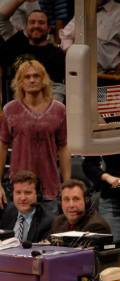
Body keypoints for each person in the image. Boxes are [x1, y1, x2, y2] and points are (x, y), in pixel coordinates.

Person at [0, 59, 71, 213]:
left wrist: (67, 185)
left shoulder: (59, 109)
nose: (32, 80)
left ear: (43, 79)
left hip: (50, 188)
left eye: (36, 76)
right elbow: (2, 146)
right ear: (20, 81)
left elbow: (63, 147)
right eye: (27, 77)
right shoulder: (10, 110)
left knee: (49, 234)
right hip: (20, 189)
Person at [0, 1, 66, 102]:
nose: (36, 26)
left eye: (41, 22)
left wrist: (48, 110)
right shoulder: (16, 43)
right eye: (32, 22)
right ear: (26, 27)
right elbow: (1, 17)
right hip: (13, 108)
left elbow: (58, 87)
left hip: (42, 109)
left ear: (48, 29)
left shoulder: (57, 54)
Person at [60, 0, 120, 74]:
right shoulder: (83, 10)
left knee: (100, 90)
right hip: (81, 74)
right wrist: (74, 58)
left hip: (106, 78)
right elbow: (66, 36)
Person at [0, 169, 53, 242]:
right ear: (12, 195)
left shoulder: (47, 222)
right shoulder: (6, 213)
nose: (22, 198)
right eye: (18, 193)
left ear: (38, 195)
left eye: (27, 193)